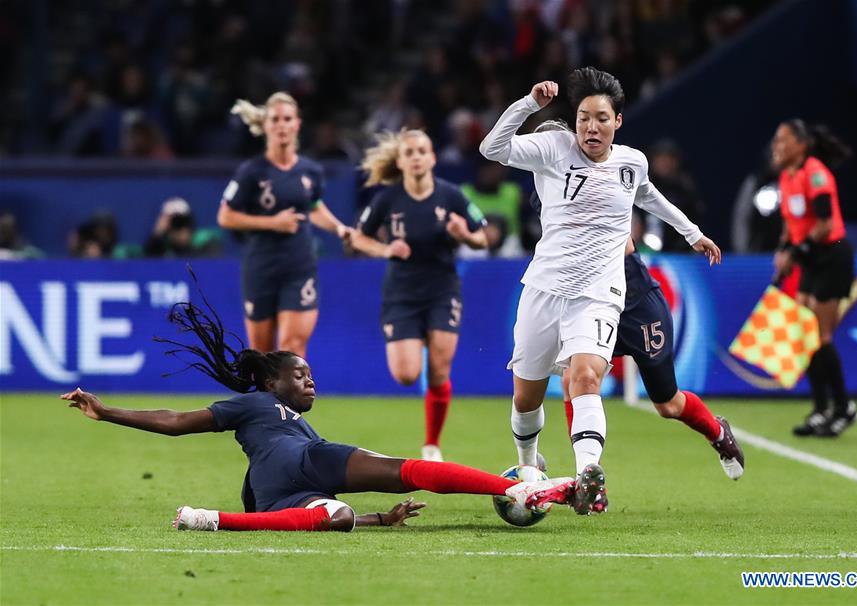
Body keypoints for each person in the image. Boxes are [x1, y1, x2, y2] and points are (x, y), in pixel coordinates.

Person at [62, 298, 571, 533]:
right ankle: (512, 488)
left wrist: (379, 520)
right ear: (270, 381)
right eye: (300, 374)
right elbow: (176, 421)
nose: (311, 380)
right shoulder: (256, 404)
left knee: (341, 516)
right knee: (404, 471)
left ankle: (212, 521)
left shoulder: (279, 415)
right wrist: (106, 412)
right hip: (302, 463)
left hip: (269, 493)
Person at [479, 68, 721, 515]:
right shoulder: (553, 149)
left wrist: (692, 234)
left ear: (618, 122)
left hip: (599, 293)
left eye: (601, 118)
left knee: (586, 375)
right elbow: (491, 147)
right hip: (544, 290)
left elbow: (649, 196)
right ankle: (529, 468)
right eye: (584, 117)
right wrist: (530, 104)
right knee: (525, 396)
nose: (591, 127)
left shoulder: (632, 163)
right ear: (574, 120)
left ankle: (590, 471)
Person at [530, 120, 744, 482]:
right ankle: (588, 476)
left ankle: (717, 433)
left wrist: (691, 233)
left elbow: (647, 199)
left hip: (633, 299)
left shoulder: (602, 171)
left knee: (667, 403)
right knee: (575, 379)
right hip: (589, 301)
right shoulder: (543, 191)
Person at [352, 129, 488, 462]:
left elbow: (483, 238)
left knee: (439, 371)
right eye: (409, 152)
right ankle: (419, 337)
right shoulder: (387, 198)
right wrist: (386, 249)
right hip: (402, 292)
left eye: (421, 151)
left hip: (442, 289)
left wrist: (465, 235)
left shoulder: (451, 196)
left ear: (432, 158)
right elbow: (359, 238)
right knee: (407, 374)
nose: (415, 157)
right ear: (400, 161)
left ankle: (431, 445)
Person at [218, 92, 352, 357]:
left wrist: (339, 228)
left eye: (287, 118)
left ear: (297, 124)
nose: (281, 124)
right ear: (266, 125)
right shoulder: (251, 172)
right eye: (276, 119)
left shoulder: (310, 171)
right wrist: (273, 222)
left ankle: (292, 400)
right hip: (261, 268)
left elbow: (313, 208)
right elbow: (226, 216)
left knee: (292, 348)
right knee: (262, 355)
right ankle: (269, 400)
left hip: (298, 266)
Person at [771, 119, 857, 437]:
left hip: (832, 256)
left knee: (821, 336)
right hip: (810, 258)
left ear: (801, 144)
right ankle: (821, 410)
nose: (776, 146)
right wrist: (783, 250)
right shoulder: (786, 176)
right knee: (805, 336)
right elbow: (789, 225)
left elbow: (824, 223)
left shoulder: (815, 173)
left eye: (782, 140)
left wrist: (796, 251)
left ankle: (844, 407)